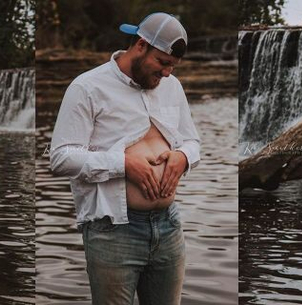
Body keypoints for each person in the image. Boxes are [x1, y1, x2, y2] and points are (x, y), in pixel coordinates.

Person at [50, 12, 201, 305]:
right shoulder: (87, 88)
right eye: (163, 63)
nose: (168, 73)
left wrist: (183, 157)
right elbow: (61, 157)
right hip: (113, 230)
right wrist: (123, 164)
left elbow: (192, 140)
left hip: (169, 226)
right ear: (141, 45)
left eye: (172, 66)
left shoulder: (172, 86)